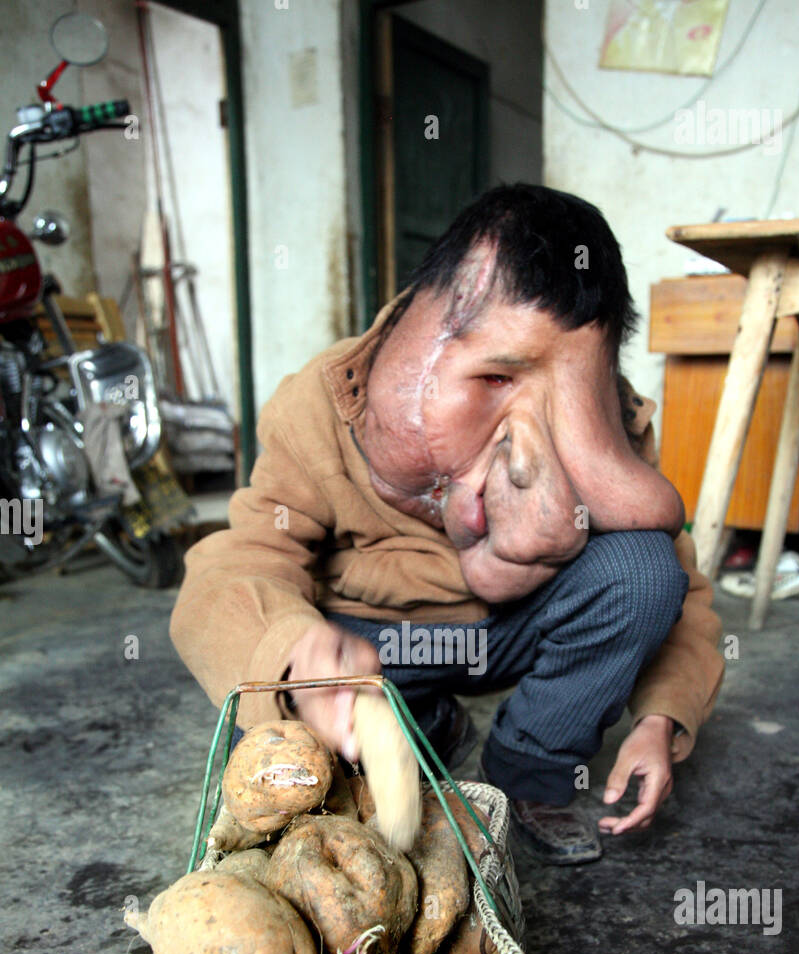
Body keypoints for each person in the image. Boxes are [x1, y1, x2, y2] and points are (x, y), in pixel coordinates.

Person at [170, 185, 724, 864]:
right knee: (276, 757)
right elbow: (238, 562)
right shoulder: (318, 400)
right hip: (377, 647)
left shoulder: (616, 420)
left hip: (510, 631)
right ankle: (423, 723)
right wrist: (294, 653)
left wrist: (663, 717)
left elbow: (683, 590)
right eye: (494, 376)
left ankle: (530, 774)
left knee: (644, 572)